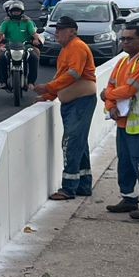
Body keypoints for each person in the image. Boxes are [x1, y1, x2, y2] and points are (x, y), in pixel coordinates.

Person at [101, 20, 139, 220]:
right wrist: (110, 105)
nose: (125, 42)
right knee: (125, 161)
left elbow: (129, 90)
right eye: (123, 39)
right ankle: (128, 198)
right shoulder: (121, 62)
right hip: (123, 121)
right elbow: (110, 87)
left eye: (130, 39)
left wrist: (107, 96)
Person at [38, 16, 96, 200]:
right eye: (56, 30)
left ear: (72, 31)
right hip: (74, 103)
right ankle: (83, 184)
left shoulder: (77, 47)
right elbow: (61, 77)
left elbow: (73, 74)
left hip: (81, 102)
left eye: (61, 30)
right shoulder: (67, 49)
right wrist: (49, 95)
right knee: (79, 143)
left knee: (70, 142)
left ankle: (69, 188)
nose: (57, 33)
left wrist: (48, 88)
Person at [0, 0, 40, 92]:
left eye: (18, 11)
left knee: (34, 58)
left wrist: (35, 40)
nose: (16, 13)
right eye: (14, 11)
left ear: (21, 12)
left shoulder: (28, 22)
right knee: (2, 58)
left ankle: (31, 82)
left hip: (26, 45)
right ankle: (3, 82)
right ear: (10, 12)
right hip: (9, 45)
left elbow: (34, 34)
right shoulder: (6, 23)